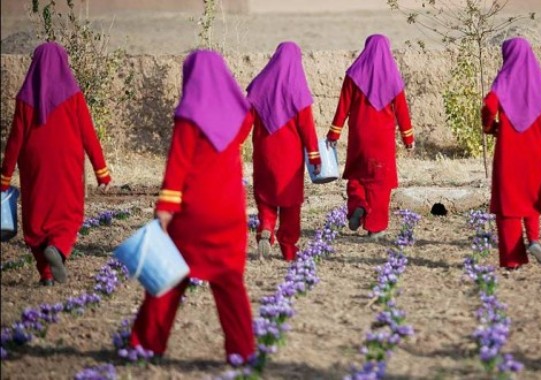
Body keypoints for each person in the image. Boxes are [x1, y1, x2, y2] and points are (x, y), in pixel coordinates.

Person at [129, 50, 255, 362]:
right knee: (230, 284)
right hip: (230, 211)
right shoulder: (238, 114)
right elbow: (246, 120)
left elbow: (178, 165)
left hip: (193, 211)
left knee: (168, 279)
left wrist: (164, 209)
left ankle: (147, 343)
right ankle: (242, 349)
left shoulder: (190, 114)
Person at [0, 42, 111, 286]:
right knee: (68, 213)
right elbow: (88, 135)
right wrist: (101, 172)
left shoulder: (24, 98)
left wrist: (5, 176)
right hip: (66, 164)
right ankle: (58, 248)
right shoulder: (73, 96)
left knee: (37, 217)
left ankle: (46, 274)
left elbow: (15, 140)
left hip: (34, 166)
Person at [481, 37, 541, 269]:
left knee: (508, 203)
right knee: (531, 196)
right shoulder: (540, 85)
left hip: (509, 152)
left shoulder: (504, 81)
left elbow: (489, 105)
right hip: (534, 152)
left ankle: (512, 259)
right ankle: (535, 239)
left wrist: (490, 127)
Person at [326, 34, 414, 239]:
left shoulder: (354, 74)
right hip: (382, 138)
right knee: (380, 182)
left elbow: (343, 108)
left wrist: (334, 133)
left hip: (359, 136)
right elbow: (402, 111)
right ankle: (375, 227)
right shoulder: (392, 77)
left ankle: (357, 204)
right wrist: (408, 138)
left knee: (357, 175)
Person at [247, 41, 321, 261]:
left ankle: (266, 228)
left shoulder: (259, 86)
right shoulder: (298, 90)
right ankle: (288, 247)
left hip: (264, 153)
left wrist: (233, 145)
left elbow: (245, 120)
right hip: (290, 158)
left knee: (265, 194)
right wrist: (314, 155)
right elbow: (307, 128)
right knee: (290, 202)